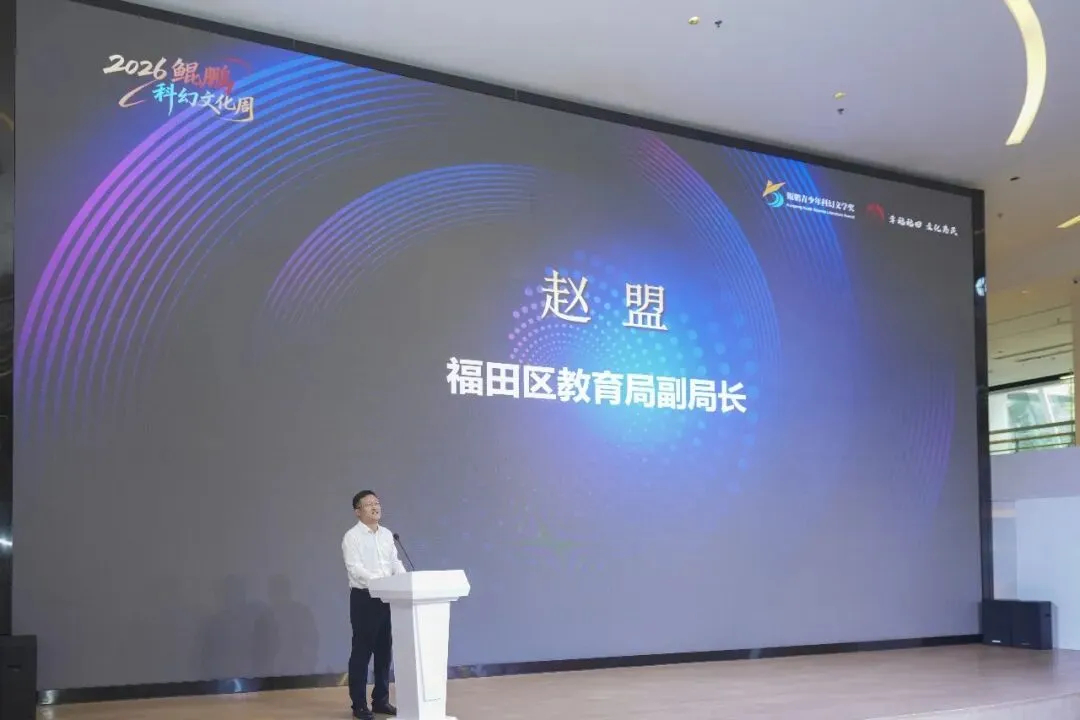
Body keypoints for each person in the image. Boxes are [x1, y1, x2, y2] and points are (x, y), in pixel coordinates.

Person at [343, 490, 406, 719]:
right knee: (362, 652)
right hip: (365, 599)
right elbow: (355, 569)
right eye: (369, 504)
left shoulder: (387, 534)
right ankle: (359, 705)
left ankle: (381, 700)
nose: (375, 507)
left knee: (384, 652)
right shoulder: (352, 537)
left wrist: (405, 580)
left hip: (387, 598)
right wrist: (379, 582)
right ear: (358, 511)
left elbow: (394, 562)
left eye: (377, 503)